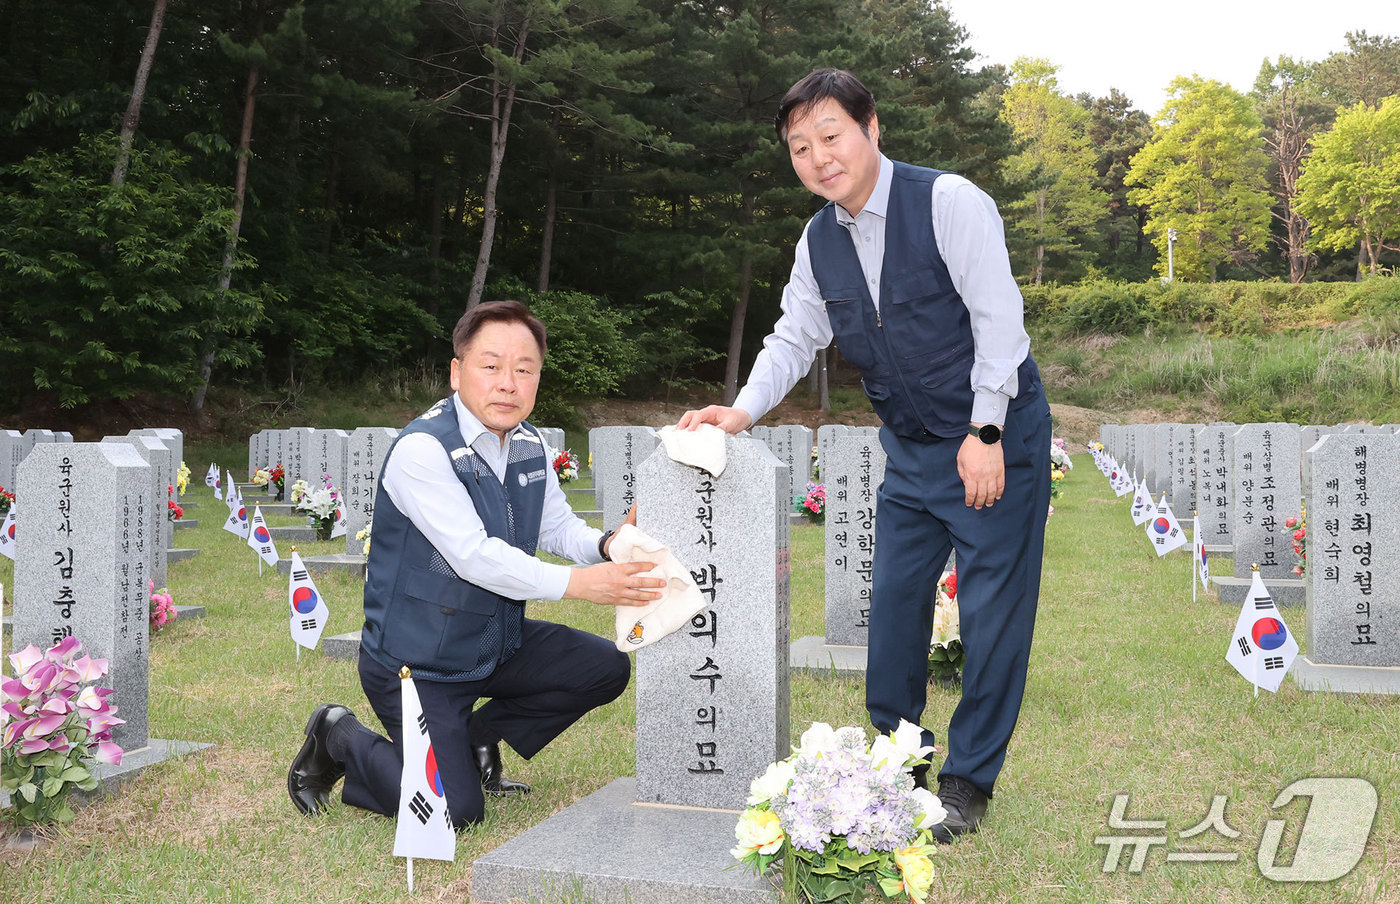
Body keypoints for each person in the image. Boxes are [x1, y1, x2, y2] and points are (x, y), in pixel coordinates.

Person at [678, 69, 1051, 842]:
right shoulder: (818, 240)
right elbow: (794, 336)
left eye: (831, 135)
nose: (819, 158)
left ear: (871, 127)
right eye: (800, 147)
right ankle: (898, 763)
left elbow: (1000, 322)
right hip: (910, 450)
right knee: (893, 609)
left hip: (993, 434)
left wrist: (986, 433)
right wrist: (741, 411)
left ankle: (966, 783)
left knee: (991, 616)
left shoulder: (949, 203)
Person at [288, 300, 665, 828]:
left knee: (604, 668)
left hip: (493, 641)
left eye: (524, 370)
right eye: (491, 366)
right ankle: (339, 736)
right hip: (418, 662)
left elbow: (555, 526)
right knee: (454, 813)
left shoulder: (530, 443)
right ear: (456, 372)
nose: (508, 384)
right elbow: (473, 556)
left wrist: (607, 546)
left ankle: (471, 738)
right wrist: (581, 584)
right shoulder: (423, 449)